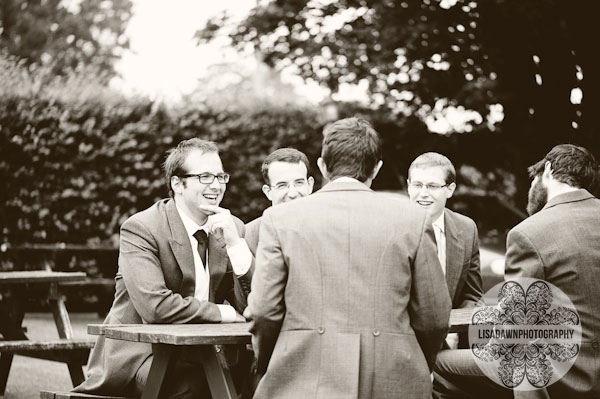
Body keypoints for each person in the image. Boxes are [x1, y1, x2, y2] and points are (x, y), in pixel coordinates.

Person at [247, 117, 451, 399]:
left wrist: (274, 361)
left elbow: (263, 310)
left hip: (301, 381)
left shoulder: (279, 219)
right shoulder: (413, 219)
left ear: (321, 166)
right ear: (376, 168)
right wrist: (412, 362)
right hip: (394, 380)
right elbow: (434, 317)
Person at [73, 138, 254, 398]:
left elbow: (253, 304)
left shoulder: (230, 226)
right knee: (197, 386)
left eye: (220, 176)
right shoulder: (142, 228)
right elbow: (154, 306)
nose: (216, 184)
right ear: (177, 184)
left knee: (260, 375)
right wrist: (222, 312)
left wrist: (236, 246)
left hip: (206, 352)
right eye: (204, 176)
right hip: (142, 356)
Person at [504, 144, 600, 398]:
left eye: (533, 180)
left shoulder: (529, 232)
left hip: (566, 376)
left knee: (442, 363)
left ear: (547, 169)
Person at [244, 148, 314, 255]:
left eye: (299, 183)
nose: (292, 193)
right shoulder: (249, 236)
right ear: (268, 192)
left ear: (310, 185)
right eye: (282, 185)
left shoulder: (327, 227)